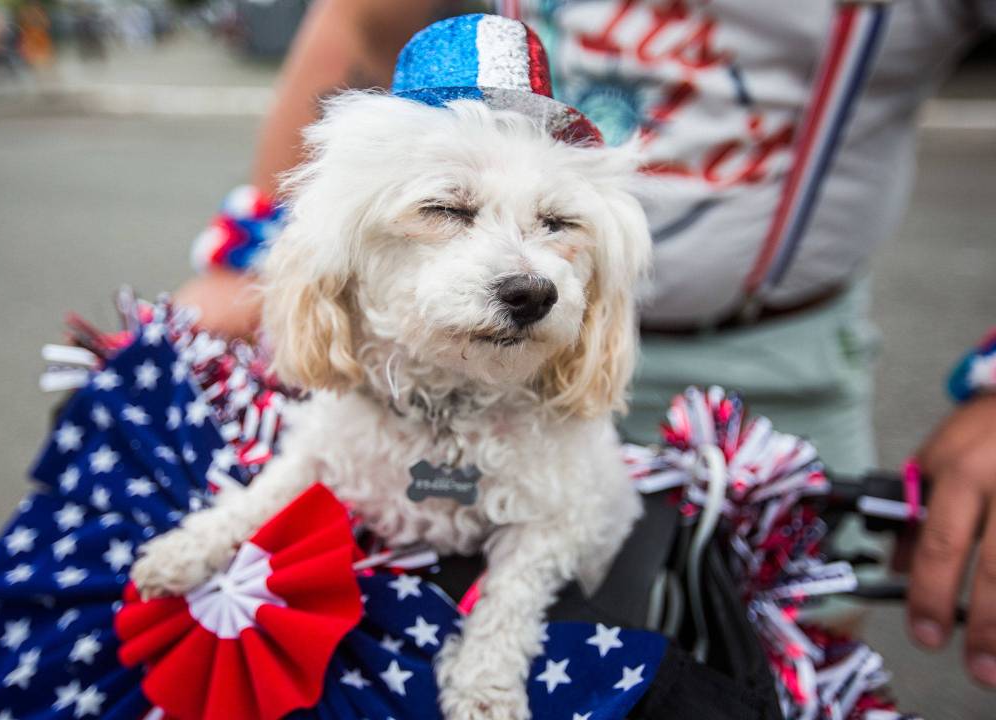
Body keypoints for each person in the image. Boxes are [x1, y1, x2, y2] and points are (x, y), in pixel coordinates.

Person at [176, 0, 996, 689]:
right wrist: (239, 259)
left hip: (789, 360)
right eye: (450, 210)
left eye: (557, 225)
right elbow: (361, 26)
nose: (525, 269)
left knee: (783, 653)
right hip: (408, 365)